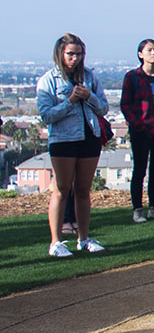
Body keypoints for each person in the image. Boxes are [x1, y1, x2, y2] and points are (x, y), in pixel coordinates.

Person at [38, 34, 109, 257]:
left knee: (83, 189)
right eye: (71, 54)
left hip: (89, 137)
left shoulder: (90, 78)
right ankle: (56, 241)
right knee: (61, 189)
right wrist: (69, 101)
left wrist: (89, 97)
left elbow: (104, 108)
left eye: (79, 54)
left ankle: (84, 238)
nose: (75, 58)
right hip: (63, 139)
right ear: (60, 54)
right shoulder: (49, 80)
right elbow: (47, 115)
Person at [120, 39, 154, 223]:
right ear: (140, 54)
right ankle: (137, 209)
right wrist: (137, 123)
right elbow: (125, 105)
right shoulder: (133, 77)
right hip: (141, 130)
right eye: (150, 50)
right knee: (140, 169)